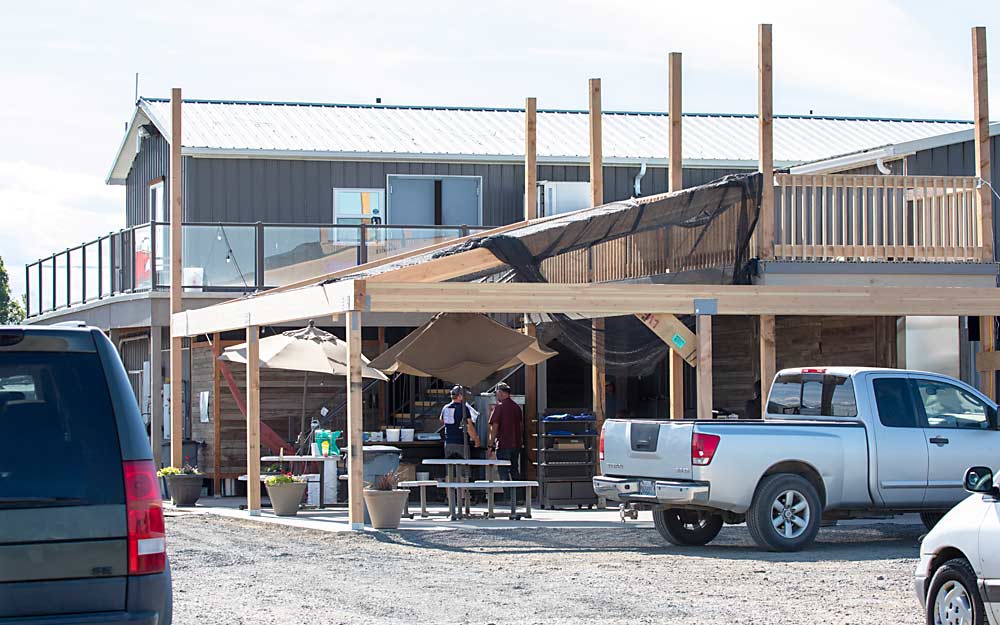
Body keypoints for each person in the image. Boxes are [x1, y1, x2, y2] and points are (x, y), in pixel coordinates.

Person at [488, 382, 523, 499]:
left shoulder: (499, 407)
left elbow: (494, 427)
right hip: (516, 444)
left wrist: (490, 445)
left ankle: (508, 498)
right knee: (514, 470)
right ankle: (519, 497)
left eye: (497, 393)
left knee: (503, 471)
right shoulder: (517, 407)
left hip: (503, 444)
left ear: (501, 392)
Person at [441, 385, 480, 461]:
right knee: (463, 469)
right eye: (464, 395)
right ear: (459, 396)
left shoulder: (445, 408)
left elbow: (441, 420)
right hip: (461, 443)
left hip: (448, 442)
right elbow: (469, 426)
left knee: (450, 467)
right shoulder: (464, 408)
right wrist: (476, 440)